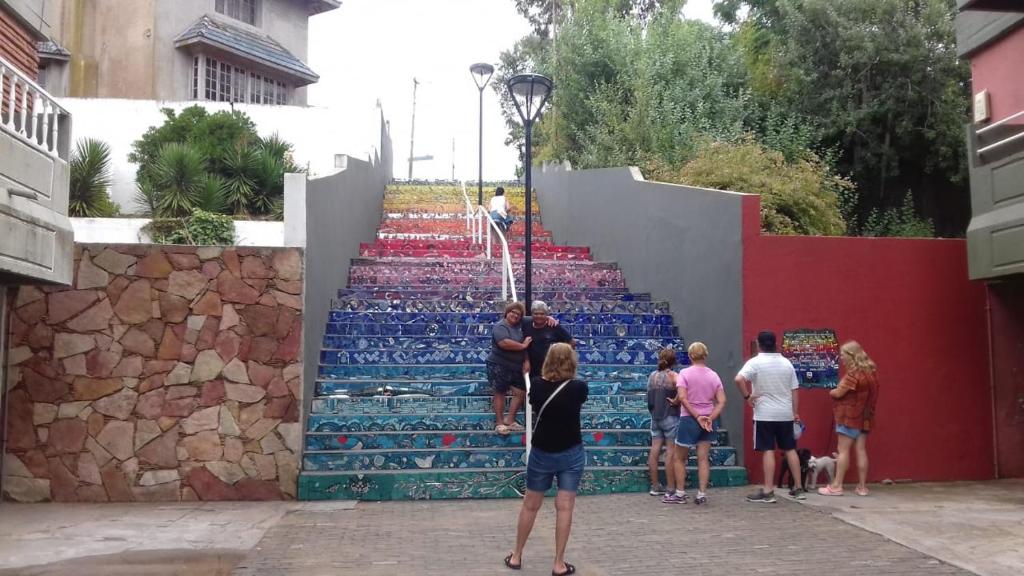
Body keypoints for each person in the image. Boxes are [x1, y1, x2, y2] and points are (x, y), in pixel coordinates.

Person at [505, 343, 587, 576]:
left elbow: (533, 404)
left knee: (530, 505)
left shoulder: (538, 387)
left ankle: (517, 555)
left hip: (542, 451)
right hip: (571, 450)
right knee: (565, 507)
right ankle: (559, 563)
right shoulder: (578, 387)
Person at [735, 331, 807, 502]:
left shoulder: (755, 363)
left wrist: (747, 397)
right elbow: (794, 391)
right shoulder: (787, 363)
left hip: (765, 414)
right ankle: (798, 488)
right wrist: (795, 412)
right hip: (785, 413)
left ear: (759, 344)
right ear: (776, 344)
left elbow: (738, 379)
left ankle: (768, 491)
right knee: (790, 449)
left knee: (768, 450)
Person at [819, 341, 880, 497]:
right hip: (866, 417)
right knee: (861, 450)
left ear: (851, 356)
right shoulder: (872, 372)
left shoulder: (853, 375)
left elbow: (838, 393)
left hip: (849, 416)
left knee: (843, 451)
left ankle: (837, 486)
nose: (841, 358)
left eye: (843, 355)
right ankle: (862, 487)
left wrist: (831, 392)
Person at [670, 342, 726, 505]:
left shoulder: (684, 374)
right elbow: (722, 401)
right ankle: (701, 493)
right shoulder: (714, 375)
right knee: (703, 458)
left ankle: (680, 493)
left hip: (689, 419)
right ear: (705, 355)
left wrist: (696, 416)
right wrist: (710, 417)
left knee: (679, 458)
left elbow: (682, 398)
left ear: (690, 356)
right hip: (708, 420)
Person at [513, 301, 574, 429]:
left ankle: (551, 420)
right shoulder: (526, 322)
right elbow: (509, 317)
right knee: (534, 394)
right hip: (532, 368)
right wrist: (526, 360)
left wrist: (561, 358)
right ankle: (534, 421)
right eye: (536, 313)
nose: (539, 316)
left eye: (542, 314)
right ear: (532, 314)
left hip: (551, 369)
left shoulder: (554, 326)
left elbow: (571, 342)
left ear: (547, 315)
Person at [487, 302, 532, 435]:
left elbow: (537, 317)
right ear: (507, 313)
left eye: (518, 314)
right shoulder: (500, 326)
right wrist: (523, 346)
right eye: (513, 312)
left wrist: (527, 361)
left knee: (520, 392)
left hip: (516, 366)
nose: (515, 316)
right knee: (500, 392)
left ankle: (510, 419)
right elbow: (504, 343)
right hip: (498, 364)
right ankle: (500, 423)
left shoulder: (521, 326)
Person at [646, 348, 679, 497]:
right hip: (671, 416)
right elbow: (683, 392)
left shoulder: (652, 376)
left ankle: (655, 486)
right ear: (673, 362)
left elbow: (648, 397)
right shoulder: (674, 376)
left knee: (655, 450)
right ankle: (671, 487)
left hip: (655, 416)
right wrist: (675, 401)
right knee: (670, 452)